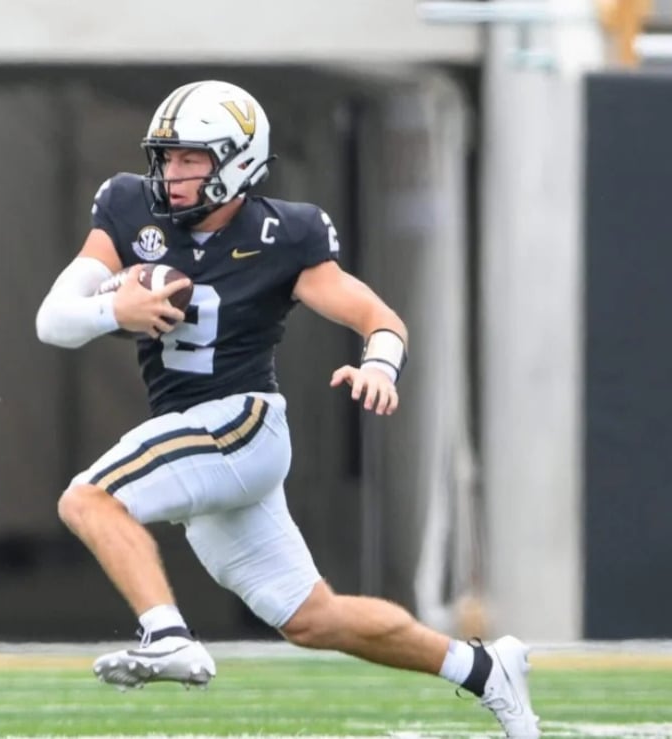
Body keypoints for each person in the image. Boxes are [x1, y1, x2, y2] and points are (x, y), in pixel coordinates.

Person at [34, 80, 540, 739]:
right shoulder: (127, 205)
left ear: (238, 160)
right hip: (196, 434)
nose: (171, 174)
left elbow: (377, 319)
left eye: (191, 158)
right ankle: (481, 667)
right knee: (310, 616)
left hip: (239, 421)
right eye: (165, 157)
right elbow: (53, 320)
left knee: (89, 498)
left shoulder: (285, 232)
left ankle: (166, 635)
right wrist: (112, 309)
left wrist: (378, 367)